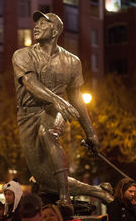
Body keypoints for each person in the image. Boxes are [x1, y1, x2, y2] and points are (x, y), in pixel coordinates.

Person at [12, 11, 113, 205]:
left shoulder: (72, 61)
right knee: (46, 181)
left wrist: (90, 132)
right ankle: (99, 192)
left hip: (54, 111)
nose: (37, 26)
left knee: (47, 132)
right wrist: (60, 101)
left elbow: (76, 97)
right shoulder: (22, 55)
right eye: (36, 23)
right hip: (27, 113)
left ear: (56, 30)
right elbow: (30, 83)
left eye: (43, 23)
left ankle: (65, 198)